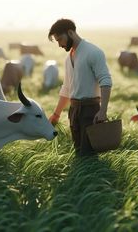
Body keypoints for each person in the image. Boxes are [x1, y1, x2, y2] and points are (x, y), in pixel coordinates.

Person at [48, 18, 112, 156]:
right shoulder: (68, 58)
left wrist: (103, 111)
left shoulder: (93, 52)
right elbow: (66, 88)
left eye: (60, 39)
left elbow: (105, 81)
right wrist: (56, 114)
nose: (59, 44)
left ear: (70, 32)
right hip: (73, 111)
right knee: (79, 153)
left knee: (89, 155)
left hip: (90, 111)